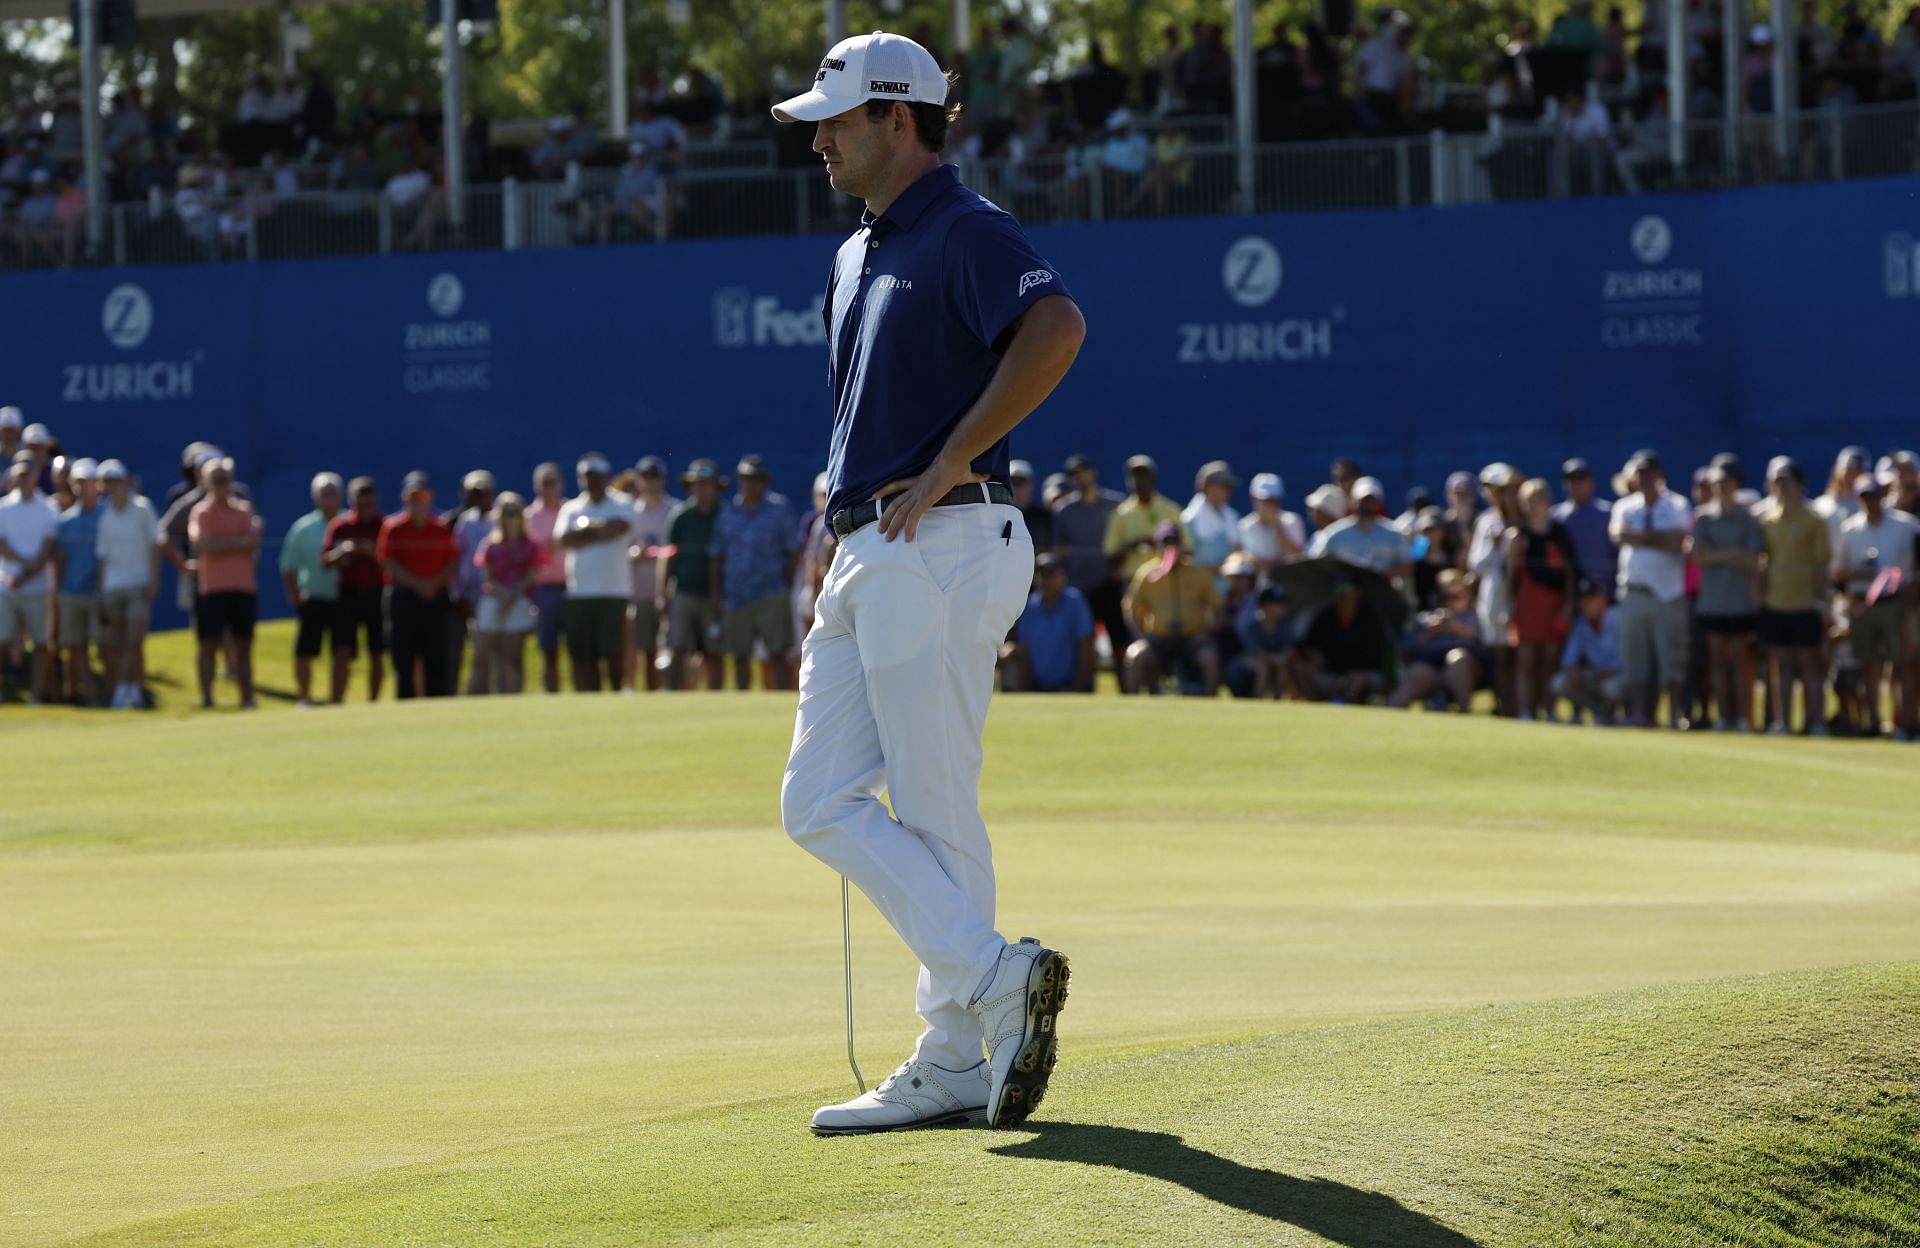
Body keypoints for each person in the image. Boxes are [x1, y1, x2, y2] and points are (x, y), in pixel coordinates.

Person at [770, 30, 1086, 1136]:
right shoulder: (856, 250)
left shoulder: (966, 228)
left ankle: (960, 1042)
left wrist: (957, 456)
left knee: (937, 808)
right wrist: (835, 526)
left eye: (836, 120)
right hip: (872, 547)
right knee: (815, 802)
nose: (818, 139)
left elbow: (1056, 327)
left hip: (946, 537)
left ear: (899, 119)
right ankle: (984, 992)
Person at [1609, 450, 1692, 729]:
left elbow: (1676, 542)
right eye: (1639, 474)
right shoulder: (1625, 506)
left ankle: (1674, 715)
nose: (1644, 479)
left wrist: (1640, 537)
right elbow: (1619, 535)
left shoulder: (1677, 504)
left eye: (1648, 473)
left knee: (1671, 659)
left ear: (1659, 475)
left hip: (1668, 593)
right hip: (1634, 591)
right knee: (1636, 657)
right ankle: (1640, 714)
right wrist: (1657, 538)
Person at [1834, 474, 1920, 738]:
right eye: (1864, 497)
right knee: (1869, 665)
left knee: (1904, 664)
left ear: (1882, 495)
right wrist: (1865, 579)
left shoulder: (1907, 526)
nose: (1870, 501)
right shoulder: (1850, 530)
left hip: (1899, 603)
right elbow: (1840, 573)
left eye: (1874, 495)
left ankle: (1907, 722)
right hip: (1864, 604)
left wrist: (1911, 602)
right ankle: (1873, 723)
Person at [712, 454, 802, 690]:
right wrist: (717, 593)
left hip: (771, 593)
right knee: (740, 657)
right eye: (746, 478)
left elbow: (793, 550)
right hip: (736, 596)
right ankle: (743, 706)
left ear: (765, 481)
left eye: (756, 478)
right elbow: (717, 555)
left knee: (778, 655)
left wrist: (787, 584)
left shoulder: (779, 509)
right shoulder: (728, 512)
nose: (751, 483)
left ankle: (781, 702)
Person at [1755, 456, 1830, 736]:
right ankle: (1783, 722)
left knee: (1810, 666)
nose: (1783, 487)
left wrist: (1824, 602)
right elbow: (1763, 564)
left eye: (1787, 481)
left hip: (1806, 602)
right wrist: (1760, 598)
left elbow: (1822, 565)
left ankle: (1817, 723)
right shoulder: (1767, 521)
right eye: (1778, 482)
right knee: (1781, 667)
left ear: (1800, 485)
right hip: (1777, 602)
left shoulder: (1814, 520)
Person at [1689, 465, 1764, 733]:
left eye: (1725, 481)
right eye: (1716, 482)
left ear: (1735, 483)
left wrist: (1718, 554)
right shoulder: (1703, 518)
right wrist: (1732, 553)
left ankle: (1743, 718)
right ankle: (1723, 717)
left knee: (1741, 662)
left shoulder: (1747, 519)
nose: (1720, 486)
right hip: (1713, 601)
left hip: (1741, 600)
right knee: (1718, 661)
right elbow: (1699, 556)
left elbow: (1752, 560)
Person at [186, 458, 262, 709]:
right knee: (208, 645)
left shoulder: (244, 509)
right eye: (216, 480)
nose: (221, 485)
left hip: (242, 587)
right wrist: (238, 542)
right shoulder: (201, 512)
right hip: (212, 589)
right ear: (206, 482)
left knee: (243, 646)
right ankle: (207, 700)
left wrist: (222, 544)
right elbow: (203, 545)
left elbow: (252, 542)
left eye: (225, 479)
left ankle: (247, 698)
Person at [553, 453, 633, 693]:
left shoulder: (623, 502)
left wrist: (586, 530)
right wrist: (600, 529)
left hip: (614, 591)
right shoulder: (571, 507)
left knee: (613, 650)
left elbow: (620, 528)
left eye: (597, 477)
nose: (593, 482)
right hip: (580, 592)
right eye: (588, 477)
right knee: (583, 654)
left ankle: (616, 695)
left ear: (607, 478)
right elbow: (564, 539)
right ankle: (588, 699)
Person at [378, 471, 457, 699]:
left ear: (429, 497)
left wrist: (432, 584)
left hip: (435, 596)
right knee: (403, 654)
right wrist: (418, 584)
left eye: (421, 496)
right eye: (412, 497)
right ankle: (406, 701)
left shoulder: (440, 528)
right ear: (405, 499)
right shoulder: (393, 527)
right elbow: (389, 563)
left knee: (436, 653)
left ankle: (438, 701)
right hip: (404, 597)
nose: (417, 502)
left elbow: (451, 563)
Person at [1121, 520, 1221, 695]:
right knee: (1135, 656)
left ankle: (1210, 704)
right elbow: (1130, 606)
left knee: (1210, 658)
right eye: (1165, 543)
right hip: (1159, 639)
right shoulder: (1147, 573)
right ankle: (1132, 707)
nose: (1170, 548)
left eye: (1174, 542)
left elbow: (1216, 605)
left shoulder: (1198, 573)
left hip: (1191, 639)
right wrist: (1141, 635)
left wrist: (1207, 633)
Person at [1506, 478, 1577, 721]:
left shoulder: (1559, 533)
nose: (1537, 505)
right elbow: (1510, 578)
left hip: (1554, 604)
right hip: (1527, 604)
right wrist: (1510, 608)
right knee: (1526, 661)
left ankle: (1549, 709)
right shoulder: (1519, 537)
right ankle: (1526, 711)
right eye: (1531, 501)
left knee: (1549, 661)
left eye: (1541, 499)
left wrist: (1568, 605)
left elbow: (1569, 574)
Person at [93, 460, 161, 710]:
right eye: (107, 483)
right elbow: (102, 558)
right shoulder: (105, 516)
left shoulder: (143, 509)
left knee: (134, 641)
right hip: (112, 587)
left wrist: (154, 579)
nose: (112, 487)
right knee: (119, 643)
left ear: (126, 482)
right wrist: (101, 592)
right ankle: (133, 690)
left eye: (115, 482)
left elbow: (156, 545)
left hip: (138, 585)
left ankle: (125, 692)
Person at [1052, 453, 1128, 658]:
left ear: (1092, 473)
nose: (1079, 478)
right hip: (1079, 588)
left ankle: (1128, 689)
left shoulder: (1116, 504)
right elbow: (1059, 550)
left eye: (1082, 473)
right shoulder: (1064, 510)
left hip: (1109, 585)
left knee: (1120, 641)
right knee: (1083, 643)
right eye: (1074, 475)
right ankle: (1085, 688)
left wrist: (1119, 571)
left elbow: (1123, 542)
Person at [280, 472, 346, 706]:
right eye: (324, 494)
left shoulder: (348, 522)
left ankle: (336, 702)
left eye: (332, 493)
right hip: (313, 597)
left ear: (341, 496)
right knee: (304, 652)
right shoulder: (303, 528)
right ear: (314, 497)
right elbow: (288, 565)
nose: (328, 499)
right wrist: (294, 594)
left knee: (341, 652)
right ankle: (305, 698)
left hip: (342, 599)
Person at [322, 477, 388, 702]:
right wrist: (344, 551)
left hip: (376, 594)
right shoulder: (340, 526)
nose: (365, 510)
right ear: (352, 502)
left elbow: (390, 561)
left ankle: (373, 702)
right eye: (360, 505)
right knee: (342, 651)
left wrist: (371, 553)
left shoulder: (383, 526)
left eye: (369, 504)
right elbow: (325, 561)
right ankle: (336, 702)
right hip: (348, 594)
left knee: (377, 652)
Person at [0, 455, 58, 704]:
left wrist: (25, 574)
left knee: (40, 644)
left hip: (37, 586)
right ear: (14, 475)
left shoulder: (48, 508)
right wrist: (22, 570)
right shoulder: (3, 507)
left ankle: (36, 695)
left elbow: (47, 548)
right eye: (20, 474)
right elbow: (1, 544)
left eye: (28, 474)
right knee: (3, 641)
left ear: (36, 476)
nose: (24, 479)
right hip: (6, 585)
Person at [665, 460, 726, 691]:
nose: (701, 489)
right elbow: (668, 555)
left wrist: (718, 594)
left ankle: (716, 698)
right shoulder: (680, 516)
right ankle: (673, 694)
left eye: (706, 484)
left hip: (714, 595)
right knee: (677, 647)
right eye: (696, 484)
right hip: (684, 591)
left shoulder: (724, 514)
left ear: (715, 487)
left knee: (714, 650)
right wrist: (663, 594)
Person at [472, 492, 541, 694]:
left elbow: (532, 574)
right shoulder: (491, 544)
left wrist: (512, 596)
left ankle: (511, 697)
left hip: (518, 600)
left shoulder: (530, 545)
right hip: (493, 599)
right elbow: (487, 576)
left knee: (511, 657)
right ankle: (478, 699)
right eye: (505, 513)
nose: (510, 518)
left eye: (514, 513)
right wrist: (503, 594)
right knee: (482, 653)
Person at [1470, 463, 1523, 716]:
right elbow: (1477, 565)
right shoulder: (1487, 522)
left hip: (1524, 595)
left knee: (1522, 657)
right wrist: (1495, 546)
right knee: (1501, 657)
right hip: (1496, 596)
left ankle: (1523, 708)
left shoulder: (1526, 519)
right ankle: (1505, 707)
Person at [52, 458, 105, 706]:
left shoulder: (108, 516)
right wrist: (56, 593)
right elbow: (60, 561)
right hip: (70, 592)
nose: (84, 487)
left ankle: (114, 695)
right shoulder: (65, 521)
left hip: (99, 593)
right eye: (79, 482)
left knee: (105, 647)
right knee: (76, 648)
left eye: (89, 482)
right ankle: (91, 698)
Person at [1389, 567, 1481, 710]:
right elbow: (1406, 648)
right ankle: (1388, 714)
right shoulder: (1428, 618)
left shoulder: (1476, 617)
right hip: (1431, 670)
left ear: (1467, 595)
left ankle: (1464, 712)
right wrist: (1426, 634)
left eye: (1456, 596)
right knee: (1417, 671)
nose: (1451, 602)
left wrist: (1459, 630)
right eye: (1446, 597)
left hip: (1466, 670)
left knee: (1458, 658)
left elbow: (1486, 647)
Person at [1000, 552, 1093, 692]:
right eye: (1043, 575)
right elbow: (1025, 648)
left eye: (1052, 575)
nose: (1047, 580)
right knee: (1009, 655)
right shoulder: (1029, 605)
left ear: (1062, 576)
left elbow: (1086, 644)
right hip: (1036, 684)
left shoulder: (1074, 601)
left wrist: (1078, 688)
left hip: (1067, 686)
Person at [627, 456, 678, 692]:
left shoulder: (674, 511)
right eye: (645, 478)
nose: (650, 483)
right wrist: (636, 553)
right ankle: (650, 695)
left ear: (662, 480)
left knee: (674, 648)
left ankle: (675, 692)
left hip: (670, 591)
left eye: (654, 477)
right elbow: (625, 549)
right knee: (645, 649)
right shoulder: (631, 512)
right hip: (640, 591)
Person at [1297, 575, 1388, 702]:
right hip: (1331, 674)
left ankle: (1346, 707)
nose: (1341, 592)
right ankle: (1316, 705)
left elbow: (1373, 652)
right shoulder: (1325, 617)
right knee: (1302, 667)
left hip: (1363, 673)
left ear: (1358, 592)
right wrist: (1314, 656)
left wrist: (1350, 674)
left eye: (1346, 587)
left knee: (1359, 680)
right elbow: (1309, 645)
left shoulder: (1370, 618)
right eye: (1337, 588)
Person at [447, 470, 498, 695]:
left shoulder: (500, 520)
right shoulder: (464, 522)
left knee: (493, 651)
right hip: (467, 599)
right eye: (473, 493)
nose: (478, 498)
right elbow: (455, 561)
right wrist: (457, 595)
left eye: (483, 493)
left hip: (496, 597)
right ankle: (469, 693)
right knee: (465, 651)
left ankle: (495, 693)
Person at [523, 463, 572, 693]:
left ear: (561, 484)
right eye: (545, 483)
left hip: (573, 588)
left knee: (577, 650)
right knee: (548, 650)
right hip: (544, 591)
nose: (549, 488)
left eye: (553, 482)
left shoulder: (572, 511)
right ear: (537, 487)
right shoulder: (529, 518)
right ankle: (552, 698)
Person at [1104, 455, 1187, 587]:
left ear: (1153, 478)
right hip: (1133, 580)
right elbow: (1110, 555)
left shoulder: (1171, 510)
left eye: (1144, 475)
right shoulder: (1120, 514)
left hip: (1168, 578)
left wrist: (1164, 547)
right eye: (1135, 476)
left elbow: (1187, 548)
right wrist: (1133, 545)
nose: (1140, 481)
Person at [1553, 578, 1625, 724]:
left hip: (1620, 676)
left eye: (1591, 598)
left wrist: (1594, 674)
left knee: (1611, 687)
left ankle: (1627, 715)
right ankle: (1600, 714)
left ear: (1603, 599)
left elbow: (1626, 661)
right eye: (1583, 599)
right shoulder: (1581, 624)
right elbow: (1569, 660)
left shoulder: (1619, 619)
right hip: (1595, 676)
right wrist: (1574, 673)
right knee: (1559, 682)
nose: (1586, 603)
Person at [1309, 476, 1411, 578]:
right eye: (1363, 501)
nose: (1366, 505)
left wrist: (1380, 576)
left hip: (1383, 592)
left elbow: (1407, 565)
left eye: (1371, 500)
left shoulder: (1394, 533)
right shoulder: (1334, 533)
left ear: (1379, 503)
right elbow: (1316, 564)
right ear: (1352, 501)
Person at [1551, 457, 1616, 591]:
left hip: (1605, 597)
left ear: (1591, 482)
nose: (1576, 485)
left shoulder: (1608, 513)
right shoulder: (1555, 516)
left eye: (1580, 479)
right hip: (1569, 598)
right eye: (1571, 480)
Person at [1237, 473, 1306, 578]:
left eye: (1275, 501)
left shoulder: (1292, 521)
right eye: (1266, 501)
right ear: (1254, 499)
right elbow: (1249, 563)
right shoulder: (1245, 526)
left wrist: (1278, 525)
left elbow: (1296, 559)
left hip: (1287, 588)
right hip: (1258, 590)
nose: (1271, 506)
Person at [1235, 583, 1296, 699]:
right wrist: (1274, 659)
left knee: (1282, 669)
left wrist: (1280, 659)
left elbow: (1288, 649)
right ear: (1264, 606)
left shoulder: (1285, 624)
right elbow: (1255, 652)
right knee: (1263, 668)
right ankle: (1259, 703)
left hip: (1277, 659)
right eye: (1276, 604)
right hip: (1250, 660)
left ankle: (1278, 703)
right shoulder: (1252, 625)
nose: (1281, 607)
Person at [1181, 460, 1241, 575]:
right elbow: (1186, 561)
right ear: (1209, 487)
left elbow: (1239, 550)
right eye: (1225, 486)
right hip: (1199, 588)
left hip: (1229, 589)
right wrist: (1216, 569)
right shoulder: (1188, 520)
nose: (1229, 491)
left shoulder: (1232, 516)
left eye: (1229, 487)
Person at [1008, 460, 1053, 553]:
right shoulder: (1000, 514)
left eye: (1022, 482)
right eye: (1013, 482)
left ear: (1031, 485)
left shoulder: (1045, 517)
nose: (1017, 487)